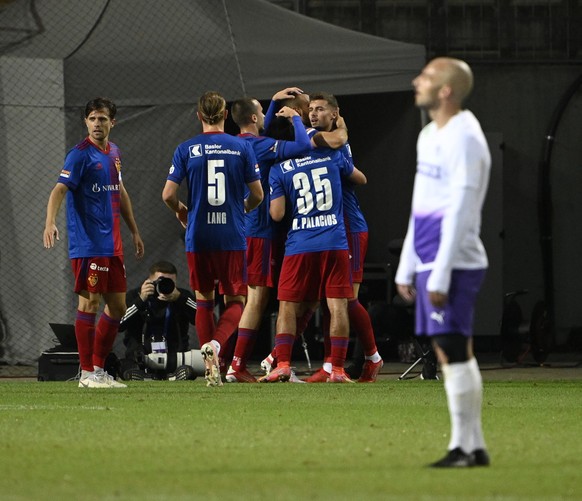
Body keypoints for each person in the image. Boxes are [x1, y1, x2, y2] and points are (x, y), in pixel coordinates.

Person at [394, 57, 491, 467]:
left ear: (446, 90)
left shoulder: (466, 136)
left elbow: (462, 207)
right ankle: (472, 447)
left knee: (453, 347)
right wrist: (407, 263)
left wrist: (443, 269)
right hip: (430, 257)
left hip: (455, 259)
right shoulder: (430, 134)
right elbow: (423, 204)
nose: (418, 81)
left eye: (428, 77)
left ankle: (465, 447)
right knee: (449, 349)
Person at [162, 90, 263, 387]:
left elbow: (168, 194)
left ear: (198, 116)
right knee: (235, 299)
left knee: (204, 299)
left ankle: (211, 367)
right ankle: (217, 347)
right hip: (230, 233)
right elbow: (257, 194)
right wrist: (240, 209)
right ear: (224, 115)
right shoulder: (240, 147)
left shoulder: (186, 148)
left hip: (199, 234)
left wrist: (182, 211)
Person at [43, 96, 145, 389]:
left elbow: (120, 191)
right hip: (88, 244)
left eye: (102, 119)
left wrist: (134, 231)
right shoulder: (79, 155)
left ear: (112, 122)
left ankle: (99, 370)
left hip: (112, 244)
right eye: (92, 119)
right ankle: (87, 373)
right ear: (86, 122)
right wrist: (50, 221)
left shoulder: (114, 152)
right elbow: (59, 190)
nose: (97, 124)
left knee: (118, 306)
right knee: (89, 303)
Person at [259, 135, 367, 383]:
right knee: (338, 305)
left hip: (300, 244)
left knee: (288, 305)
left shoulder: (279, 168)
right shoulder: (334, 157)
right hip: (335, 242)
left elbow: (277, 214)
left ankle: (283, 364)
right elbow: (361, 179)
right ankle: (337, 369)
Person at [225, 97, 311, 383]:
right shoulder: (259, 146)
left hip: (242, 229)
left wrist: (273, 103)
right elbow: (302, 146)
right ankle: (236, 364)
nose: (266, 116)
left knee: (252, 297)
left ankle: (246, 360)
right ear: (252, 118)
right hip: (259, 230)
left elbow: (260, 132)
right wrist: (296, 118)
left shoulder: (234, 143)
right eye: (261, 112)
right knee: (257, 298)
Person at [301, 92, 383, 383]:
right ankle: (328, 365)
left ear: (334, 114)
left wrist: (341, 166)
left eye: (320, 109)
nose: (313, 113)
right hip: (327, 228)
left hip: (350, 227)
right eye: (310, 109)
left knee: (346, 299)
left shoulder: (333, 144)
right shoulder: (326, 139)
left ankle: (372, 358)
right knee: (329, 300)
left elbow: (360, 178)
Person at [118, 260, 204, 380]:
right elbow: (118, 325)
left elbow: (203, 319)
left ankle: (170, 376)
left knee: (188, 370)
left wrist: (180, 298)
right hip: (140, 358)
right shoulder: (135, 296)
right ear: (149, 282)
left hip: (175, 359)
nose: (165, 285)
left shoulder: (182, 296)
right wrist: (141, 300)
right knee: (126, 368)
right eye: (160, 281)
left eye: (170, 282)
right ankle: (144, 376)